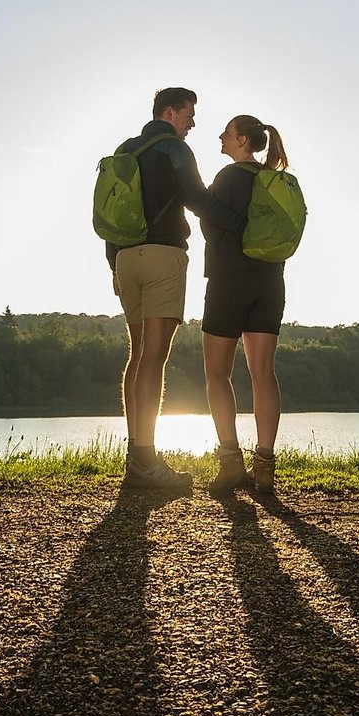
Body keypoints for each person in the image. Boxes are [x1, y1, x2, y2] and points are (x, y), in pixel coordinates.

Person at [107, 86, 244, 490]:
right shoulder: (174, 149)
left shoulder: (125, 149)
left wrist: (113, 262)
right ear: (169, 112)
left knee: (137, 356)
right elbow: (198, 199)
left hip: (125, 259)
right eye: (189, 114)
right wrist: (239, 223)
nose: (193, 122)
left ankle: (136, 455)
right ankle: (147, 460)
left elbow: (113, 210)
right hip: (163, 255)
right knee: (154, 357)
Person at [201, 115, 290, 498]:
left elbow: (210, 224)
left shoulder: (229, 176)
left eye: (226, 132)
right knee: (263, 374)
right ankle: (265, 467)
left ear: (241, 140)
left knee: (217, 374)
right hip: (270, 282)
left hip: (228, 280)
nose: (220, 136)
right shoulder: (273, 180)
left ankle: (231, 464)